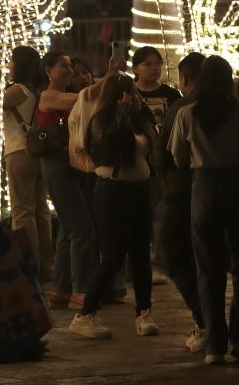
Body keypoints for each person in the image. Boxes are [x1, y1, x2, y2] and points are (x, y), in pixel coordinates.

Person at [169, 54, 239, 364]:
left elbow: (178, 158)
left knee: (208, 268)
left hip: (203, 187)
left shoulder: (188, 114)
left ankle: (215, 346)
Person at [71, 72, 161, 339]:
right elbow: (111, 146)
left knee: (141, 256)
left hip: (140, 191)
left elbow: (152, 142)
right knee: (112, 257)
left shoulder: (136, 116)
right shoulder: (101, 120)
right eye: (127, 91)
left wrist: (139, 112)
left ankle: (144, 313)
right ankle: (84, 314)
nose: (132, 96)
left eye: (132, 91)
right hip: (112, 192)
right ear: (115, 95)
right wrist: (122, 113)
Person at [35, 48, 95, 307]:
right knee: (83, 229)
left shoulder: (69, 95)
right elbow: (80, 99)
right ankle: (81, 291)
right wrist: (109, 79)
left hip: (71, 162)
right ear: (49, 71)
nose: (70, 71)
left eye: (71, 66)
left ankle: (61, 290)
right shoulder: (48, 96)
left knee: (69, 228)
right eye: (64, 66)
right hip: (56, 163)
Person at [159, 52, 207, 350]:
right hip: (225, 192)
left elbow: (167, 156)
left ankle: (204, 322)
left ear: (185, 79)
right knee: (214, 262)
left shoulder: (181, 109)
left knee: (175, 257)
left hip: (182, 191)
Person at [130, 45, 181, 279]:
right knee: (139, 214)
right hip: (137, 160)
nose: (154, 67)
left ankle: (160, 262)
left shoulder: (171, 96)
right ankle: (138, 264)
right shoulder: (129, 94)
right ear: (136, 68)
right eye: (148, 63)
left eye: (157, 63)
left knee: (161, 213)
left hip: (164, 160)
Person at [1, 46, 52, 276]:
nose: (9, 64)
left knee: (22, 212)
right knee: (40, 210)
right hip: (36, 154)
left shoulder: (18, 90)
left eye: (11, 60)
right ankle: (45, 265)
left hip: (19, 153)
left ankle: (26, 267)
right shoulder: (35, 90)